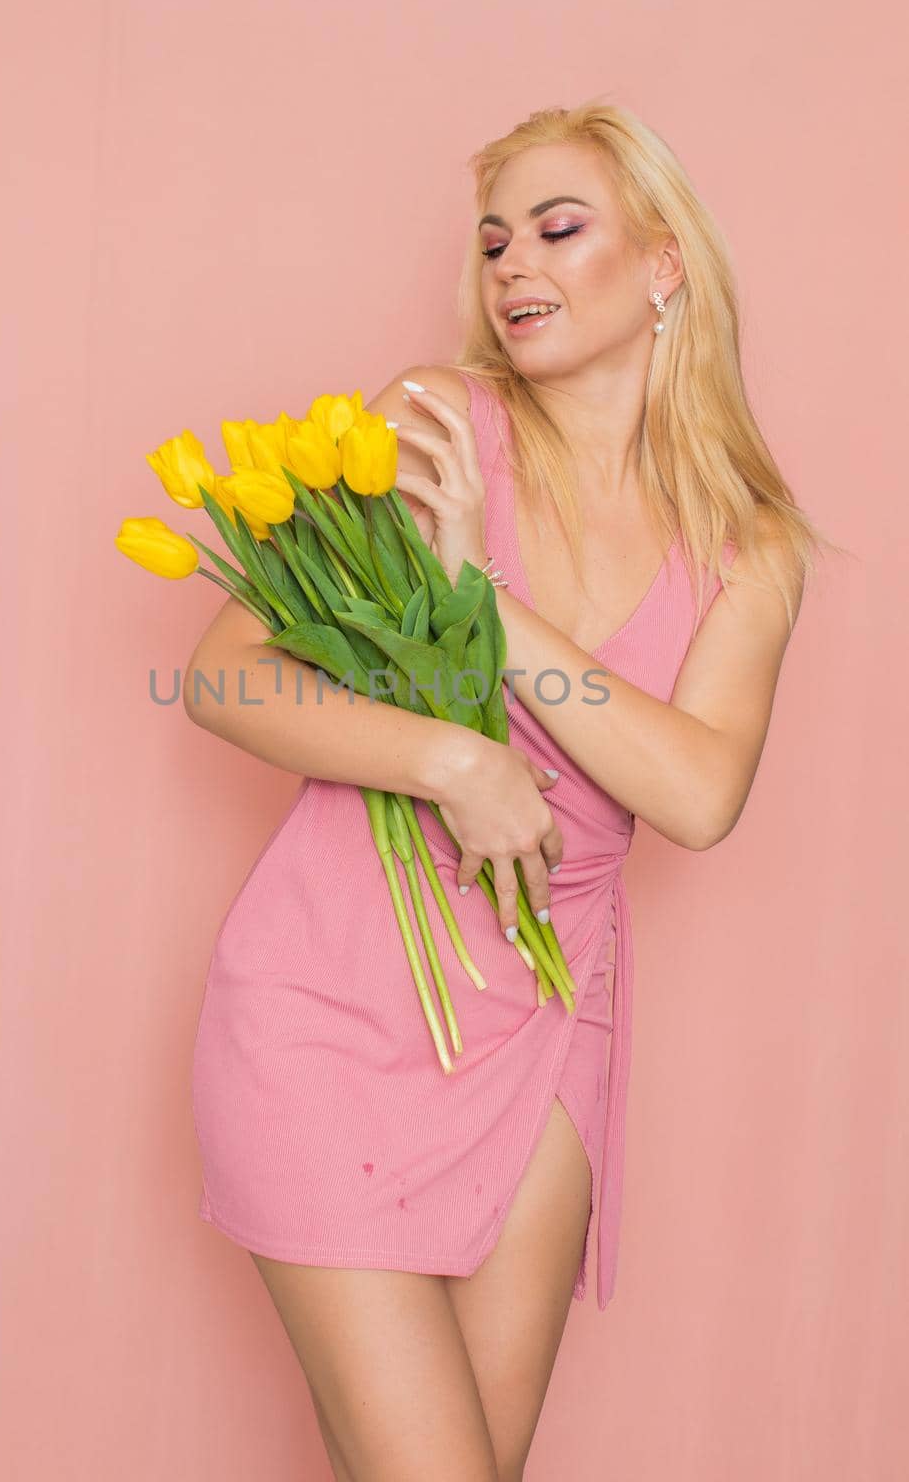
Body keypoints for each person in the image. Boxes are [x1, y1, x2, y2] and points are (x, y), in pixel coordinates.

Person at [184, 101, 824, 1482]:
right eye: (493, 240)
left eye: (556, 226)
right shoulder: (430, 424)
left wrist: (482, 598)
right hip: (334, 992)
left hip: (547, 1022)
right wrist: (451, 759)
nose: (512, 264)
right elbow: (227, 672)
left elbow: (700, 792)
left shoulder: (750, 543)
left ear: (664, 264)